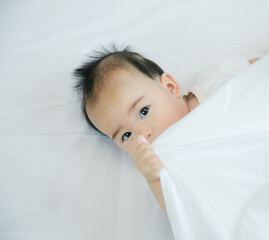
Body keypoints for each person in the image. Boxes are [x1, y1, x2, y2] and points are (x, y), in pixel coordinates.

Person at [73, 45, 259, 215]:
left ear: (170, 87)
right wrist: (153, 180)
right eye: (126, 135)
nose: (143, 135)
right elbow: (183, 212)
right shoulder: (169, 168)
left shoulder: (212, 84)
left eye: (143, 111)